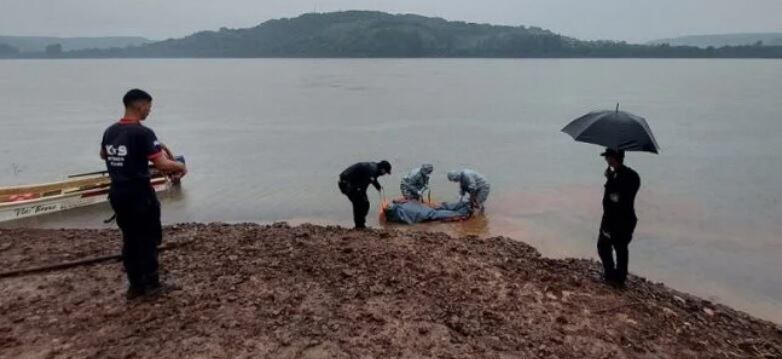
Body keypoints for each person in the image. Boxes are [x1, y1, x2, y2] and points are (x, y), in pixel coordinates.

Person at [100, 89, 187, 300]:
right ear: (140, 106)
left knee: (130, 238)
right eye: (149, 106)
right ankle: (152, 284)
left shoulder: (110, 131)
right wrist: (180, 166)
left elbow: (104, 155)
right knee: (148, 238)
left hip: (119, 194)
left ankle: (135, 285)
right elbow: (162, 164)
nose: (149, 111)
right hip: (140, 194)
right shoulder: (143, 133)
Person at [597, 148, 640, 288]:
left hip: (619, 219)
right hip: (617, 218)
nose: (606, 160)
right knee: (612, 247)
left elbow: (617, 198)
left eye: (607, 157)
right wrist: (610, 178)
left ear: (613, 158)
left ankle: (616, 278)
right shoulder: (626, 175)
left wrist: (610, 181)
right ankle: (614, 276)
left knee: (612, 246)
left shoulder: (628, 176)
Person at [338, 161, 391, 229]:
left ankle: (360, 225)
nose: (384, 174)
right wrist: (360, 192)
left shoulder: (374, 168)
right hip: (346, 183)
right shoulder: (373, 170)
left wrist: (379, 188)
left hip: (350, 182)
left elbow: (372, 179)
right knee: (360, 203)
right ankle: (359, 226)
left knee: (364, 204)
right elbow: (367, 181)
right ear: (383, 170)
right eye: (385, 172)